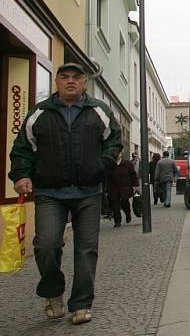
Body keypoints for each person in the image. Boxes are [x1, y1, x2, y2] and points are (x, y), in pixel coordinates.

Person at [8, 62, 121, 325]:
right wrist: (22, 175)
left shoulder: (98, 111)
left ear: (84, 83)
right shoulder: (40, 113)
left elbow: (114, 139)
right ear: (57, 82)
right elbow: (22, 147)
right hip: (49, 191)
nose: (70, 81)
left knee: (87, 249)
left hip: (88, 192)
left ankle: (81, 304)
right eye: (65, 77)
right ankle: (53, 292)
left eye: (76, 77)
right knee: (46, 245)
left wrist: (100, 165)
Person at [106, 150, 139, 227]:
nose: (117, 154)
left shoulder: (127, 164)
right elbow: (106, 177)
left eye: (119, 153)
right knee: (115, 205)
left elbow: (133, 175)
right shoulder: (109, 164)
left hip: (125, 187)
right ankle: (117, 221)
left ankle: (128, 214)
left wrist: (136, 185)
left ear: (121, 154)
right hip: (113, 188)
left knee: (125, 202)